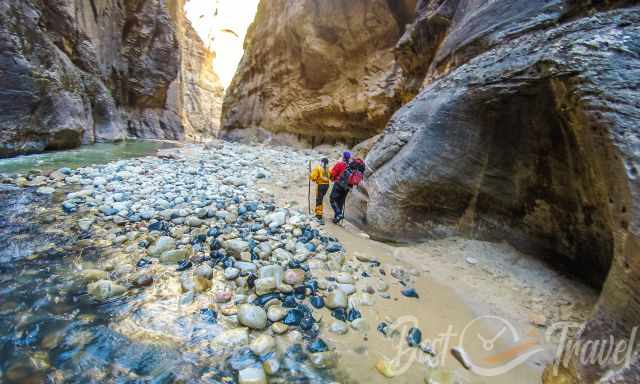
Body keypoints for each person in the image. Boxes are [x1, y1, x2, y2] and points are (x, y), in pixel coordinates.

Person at [330, 157, 365, 224]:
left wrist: (333, 178)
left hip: (340, 184)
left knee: (332, 199)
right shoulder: (359, 168)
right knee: (340, 202)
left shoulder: (346, 164)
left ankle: (338, 214)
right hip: (348, 187)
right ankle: (336, 219)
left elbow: (334, 172)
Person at [309, 158, 331, 223]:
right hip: (327, 185)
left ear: (322, 162)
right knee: (320, 199)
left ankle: (319, 214)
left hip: (320, 185)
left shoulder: (318, 168)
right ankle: (319, 212)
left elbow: (313, 178)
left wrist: (310, 174)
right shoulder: (328, 169)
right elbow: (331, 177)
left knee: (319, 199)